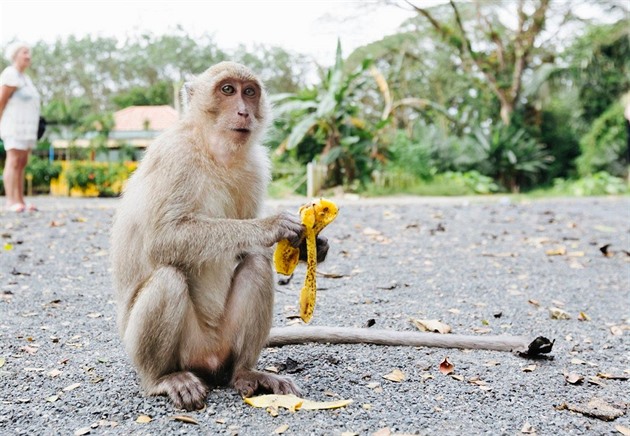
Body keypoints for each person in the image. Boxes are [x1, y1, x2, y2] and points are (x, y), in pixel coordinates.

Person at [0, 42, 41, 212]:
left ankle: (20, 201)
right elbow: (1, 100)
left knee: (22, 162)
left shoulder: (26, 78)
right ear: (15, 55)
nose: (28, 56)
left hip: (27, 129)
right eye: (25, 52)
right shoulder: (10, 74)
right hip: (14, 126)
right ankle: (11, 201)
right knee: (14, 160)